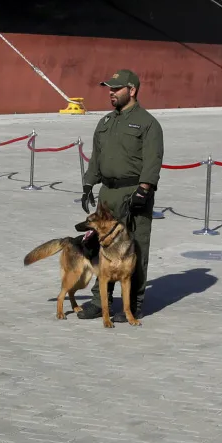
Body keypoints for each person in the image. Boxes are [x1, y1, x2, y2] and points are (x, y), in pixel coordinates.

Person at [78, 69, 164, 320]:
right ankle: (99, 300)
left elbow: (152, 159)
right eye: (110, 88)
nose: (111, 92)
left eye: (116, 88)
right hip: (108, 193)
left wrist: (144, 189)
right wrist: (88, 185)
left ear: (132, 90)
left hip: (132, 193)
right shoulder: (105, 122)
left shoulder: (148, 123)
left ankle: (133, 304)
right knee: (101, 248)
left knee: (133, 248)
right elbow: (97, 157)